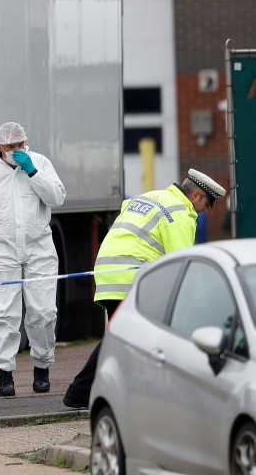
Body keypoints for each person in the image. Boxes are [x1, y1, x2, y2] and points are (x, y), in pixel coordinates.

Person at [62, 169, 225, 408]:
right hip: (131, 275)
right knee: (127, 337)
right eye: (207, 204)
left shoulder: (152, 197)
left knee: (130, 337)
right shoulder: (181, 214)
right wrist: (204, 302)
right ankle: (80, 393)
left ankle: (115, 393)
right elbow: (182, 263)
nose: (205, 211)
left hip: (110, 271)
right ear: (196, 196)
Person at [0, 122, 66, 397]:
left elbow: (57, 197)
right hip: (1, 252)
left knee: (43, 313)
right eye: (11, 147)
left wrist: (32, 171)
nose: (17, 151)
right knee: (5, 315)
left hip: (39, 250)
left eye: (21, 146)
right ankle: (5, 375)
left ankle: (42, 367)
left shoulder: (39, 162)